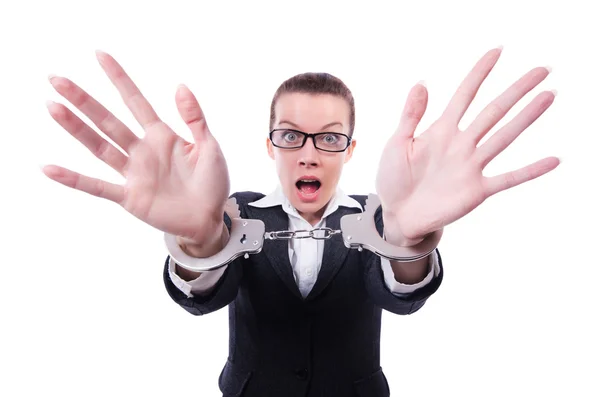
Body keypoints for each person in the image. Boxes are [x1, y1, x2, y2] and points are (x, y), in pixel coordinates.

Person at [41, 46, 559, 397]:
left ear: (350, 150)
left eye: (330, 138)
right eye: (291, 135)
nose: (309, 154)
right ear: (270, 145)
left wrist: (407, 241)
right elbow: (206, 299)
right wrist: (199, 242)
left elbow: (401, 298)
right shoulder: (234, 211)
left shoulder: (378, 217)